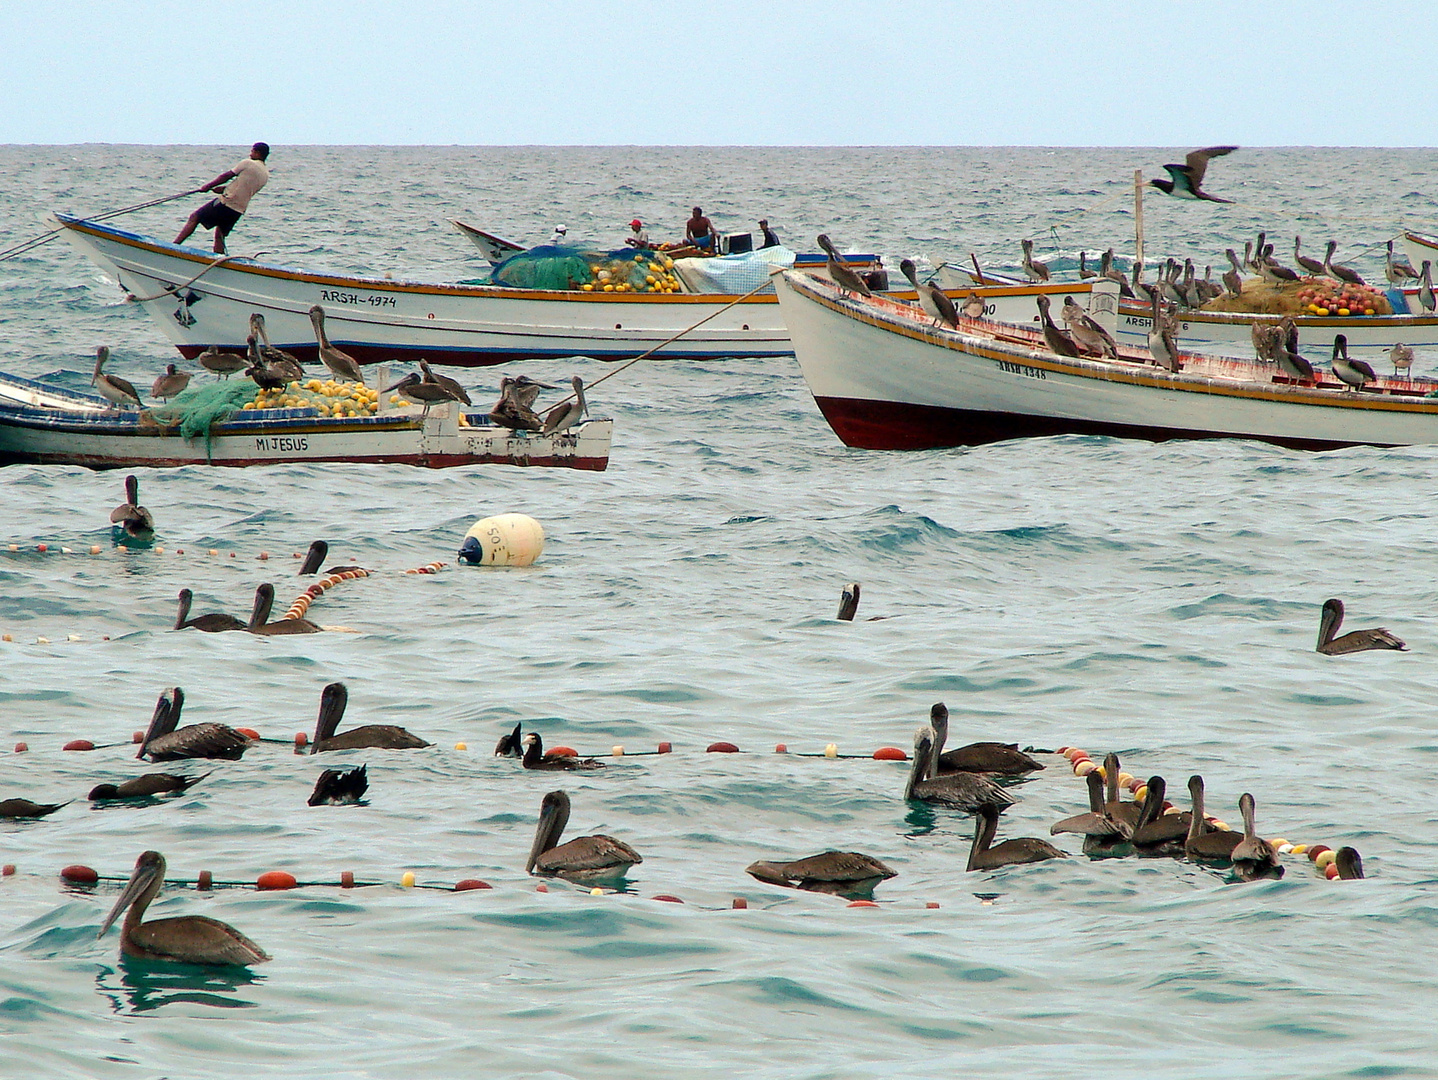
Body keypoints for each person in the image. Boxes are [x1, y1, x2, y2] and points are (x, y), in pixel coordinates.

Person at [174, 142, 270, 254]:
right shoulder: (265, 174)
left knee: (195, 217)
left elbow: (226, 176)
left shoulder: (248, 163)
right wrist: (224, 189)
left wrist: (208, 186)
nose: (250, 154)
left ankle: (174, 246)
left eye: (252, 151)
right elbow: (245, 187)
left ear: (258, 153)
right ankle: (218, 258)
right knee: (220, 235)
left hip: (226, 202)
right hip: (238, 209)